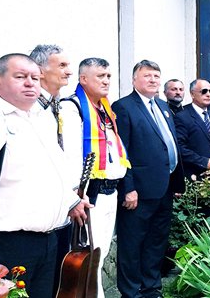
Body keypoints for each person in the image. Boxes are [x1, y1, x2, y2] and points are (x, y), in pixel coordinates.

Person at [0, 53, 87, 297]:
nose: (31, 83)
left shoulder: (39, 118)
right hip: (9, 244)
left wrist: (70, 202)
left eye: (35, 77)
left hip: (49, 241)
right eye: (20, 77)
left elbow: (51, 170)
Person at [112, 60, 185, 298]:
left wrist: (174, 181)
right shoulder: (124, 107)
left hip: (164, 188)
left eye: (156, 75)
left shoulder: (163, 106)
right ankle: (132, 292)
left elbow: (167, 145)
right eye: (147, 76)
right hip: (139, 192)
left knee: (156, 242)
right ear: (134, 80)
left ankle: (151, 288)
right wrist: (128, 189)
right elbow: (122, 151)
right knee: (132, 245)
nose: (153, 80)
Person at [60, 57, 131, 298]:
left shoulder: (104, 110)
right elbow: (70, 156)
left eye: (109, 76)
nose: (107, 81)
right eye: (100, 76)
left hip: (111, 191)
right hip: (90, 195)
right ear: (83, 79)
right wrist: (74, 196)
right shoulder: (73, 108)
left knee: (100, 253)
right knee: (88, 256)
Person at [27, 43, 74, 292]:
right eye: (62, 65)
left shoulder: (57, 105)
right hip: (34, 218)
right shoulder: (29, 110)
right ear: (41, 71)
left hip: (59, 211)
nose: (69, 71)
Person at [174, 79, 210, 180]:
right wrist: (204, 162)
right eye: (204, 91)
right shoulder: (182, 116)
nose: (208, 94)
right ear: (192, 94)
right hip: (194, 175)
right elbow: (180, 147)